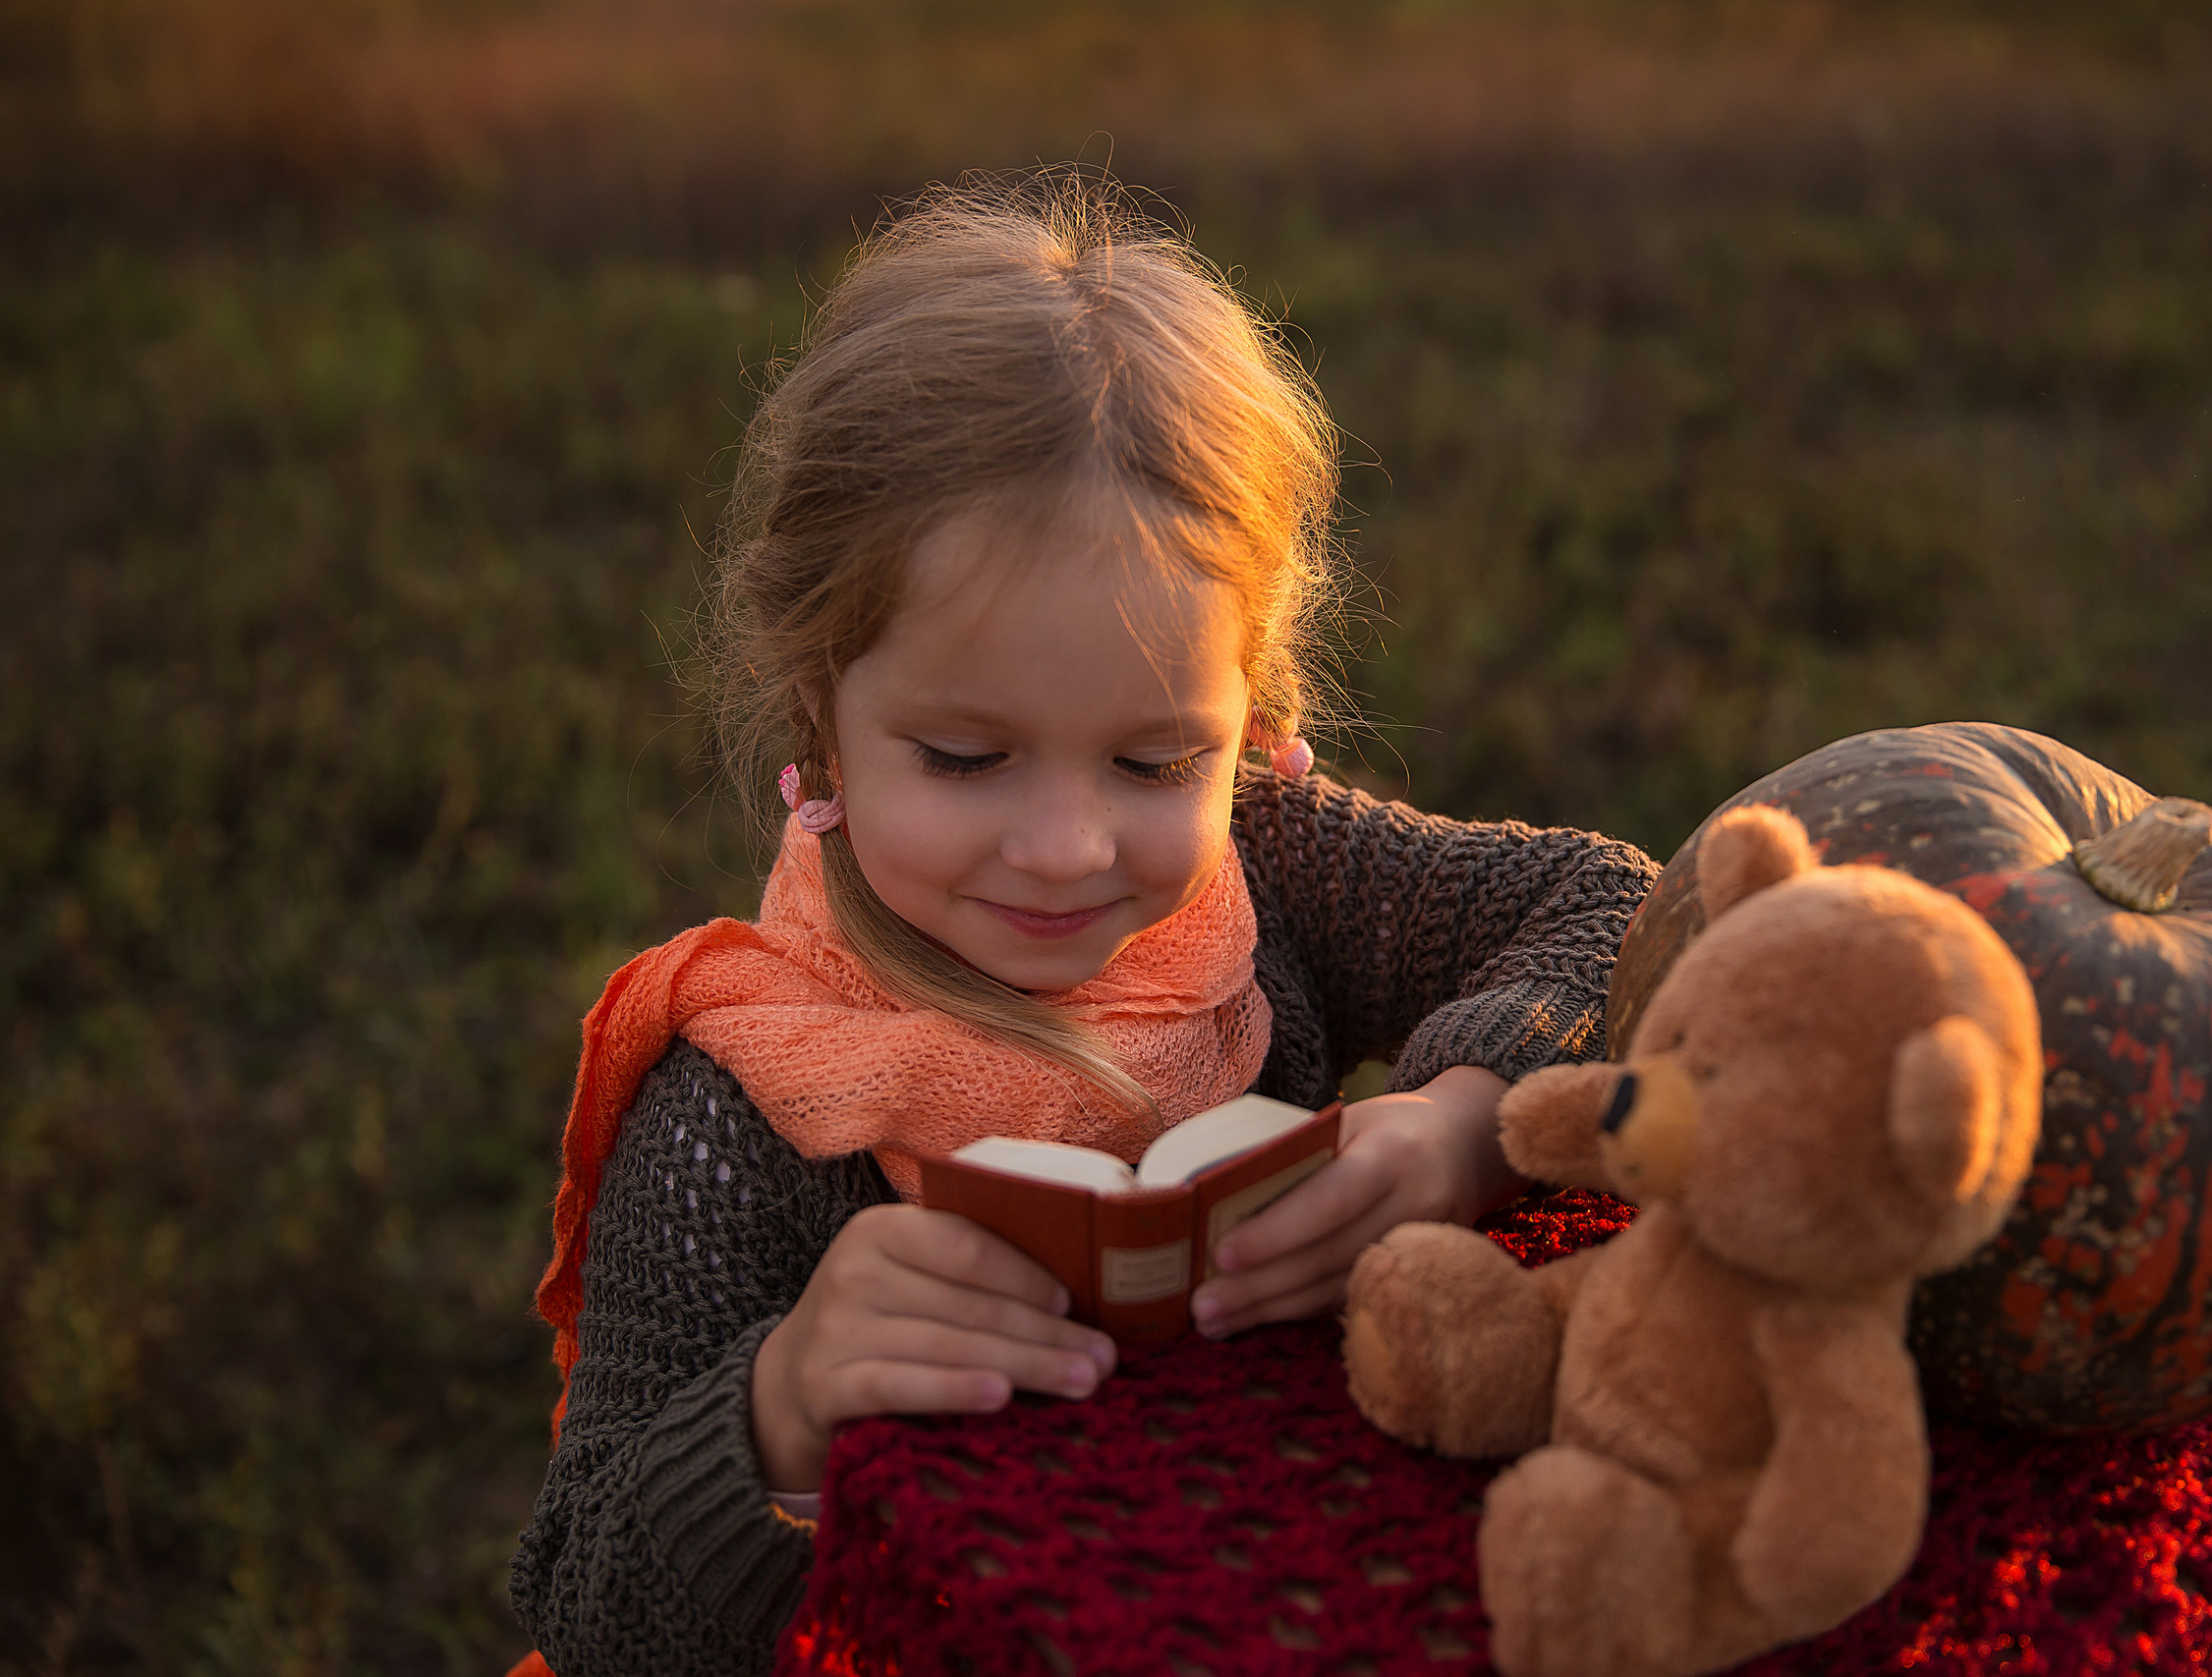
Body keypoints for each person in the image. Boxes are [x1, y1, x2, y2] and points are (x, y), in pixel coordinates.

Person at [506, 173, 1657, 1677]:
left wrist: (1458, 1123)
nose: (1066, 849)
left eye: (1154, 761)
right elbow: (589, 1602)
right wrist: (780, 1408)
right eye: (967, 759)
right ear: (822, 718)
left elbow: (1618, 910)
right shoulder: (740, 1113)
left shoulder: (1266, 872)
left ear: (1251, 719)